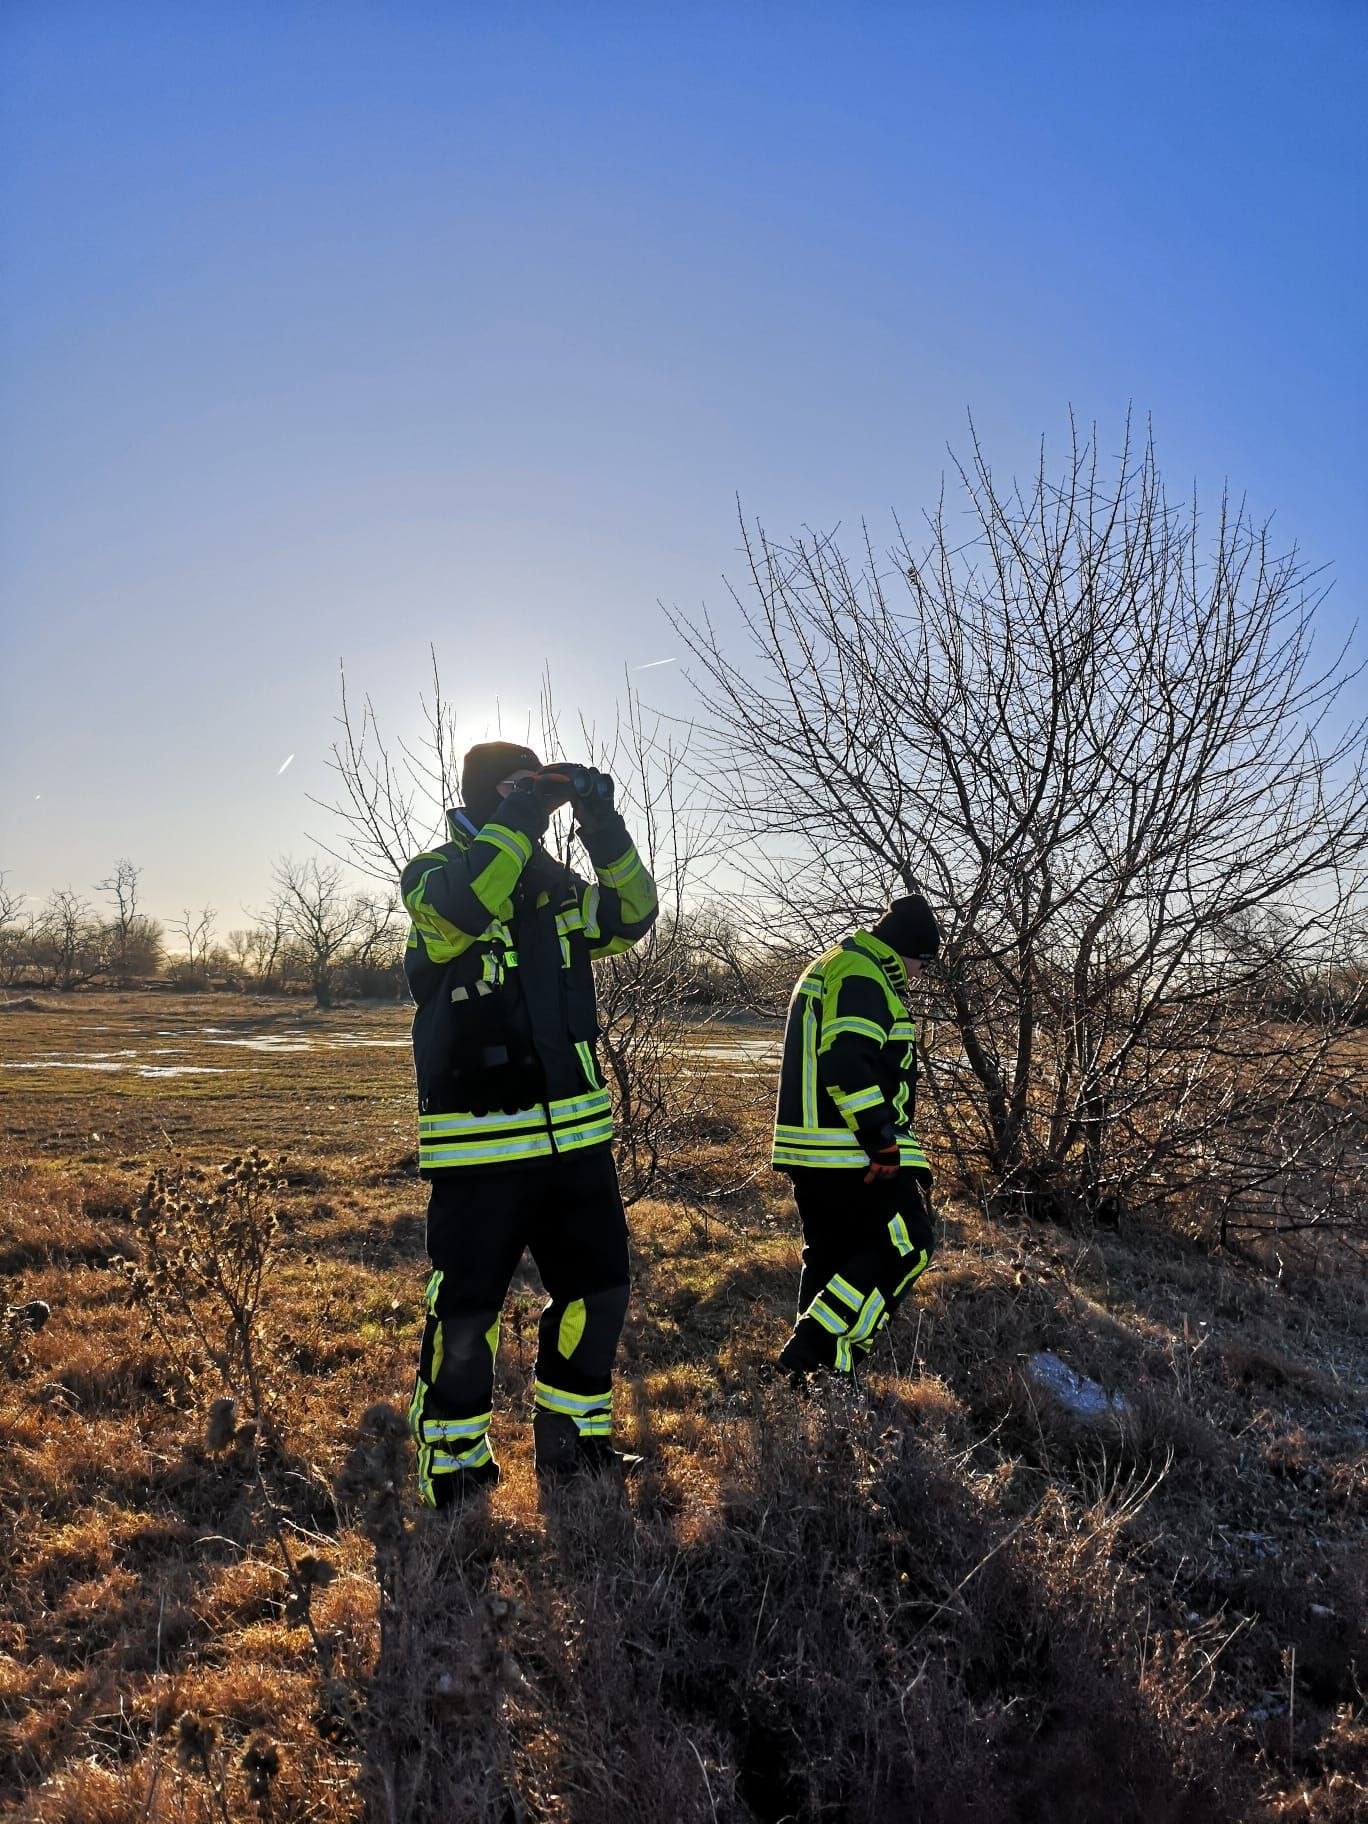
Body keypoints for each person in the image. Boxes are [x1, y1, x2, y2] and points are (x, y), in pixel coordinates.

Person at [400, 740, 658, 1505]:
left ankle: (574, 1449)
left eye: (539, 791)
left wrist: (601, 822)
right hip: (479, 1146)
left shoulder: (555, 886)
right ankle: (454, 1467)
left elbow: (632, 915)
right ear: (486, 796)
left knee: (598, 1293)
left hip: (577, 1143)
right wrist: (520, 814)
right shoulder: (434, 876)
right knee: (468, 1313)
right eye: (518, 789)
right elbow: (465, 910)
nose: (535, 803)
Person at [771, 894, 941, 1380]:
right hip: (847, 1150)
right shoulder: (863, 973)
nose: (920, 975)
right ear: (909, 950)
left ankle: (814, 1381)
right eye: (923, 963)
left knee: (833, 1259)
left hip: (816, 1150)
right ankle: (813, 1352)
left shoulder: (837, 964)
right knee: (908, 1242)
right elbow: (846, 1063)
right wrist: (881, 1141)